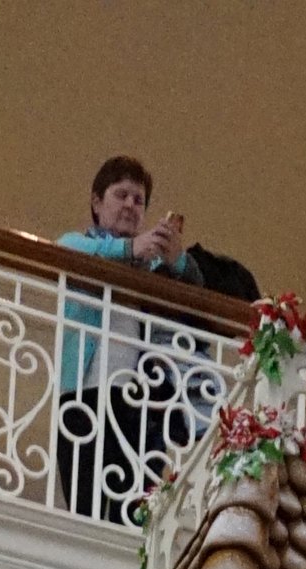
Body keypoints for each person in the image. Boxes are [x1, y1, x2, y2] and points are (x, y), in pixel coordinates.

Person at [55, 156, 218, 524]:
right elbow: (67, 251)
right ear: (97, 203)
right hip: (85, 392)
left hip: (141, 398)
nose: (131, 204)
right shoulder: (81, 244)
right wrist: (131, 250)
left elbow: (198, 296)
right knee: (86, 504)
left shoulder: (152, 264)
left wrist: (178, 260)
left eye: (139, 199)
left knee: (135, 510)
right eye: (121, 195)